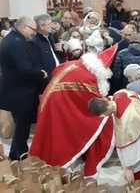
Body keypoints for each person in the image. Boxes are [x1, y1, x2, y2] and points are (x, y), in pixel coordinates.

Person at [30, 45, 118, 176]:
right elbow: (93, 100)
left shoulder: (75, 63)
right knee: (100, 120)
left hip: (50, 101)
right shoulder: (89, 78)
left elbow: (56, 70)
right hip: (59, 107)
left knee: (50, 133)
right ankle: (59, 162)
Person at [0, 16, 48, 160]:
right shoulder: (16, 43)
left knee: (22, 127)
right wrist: (41, 73)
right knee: (22, 127)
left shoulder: (15, 39)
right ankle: (16, 156)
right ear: (23, 27)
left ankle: (20, 153)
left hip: (16, 89)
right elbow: (24, 68)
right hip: (19, 92)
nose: (34, 32)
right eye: (33, 29)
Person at [88, 89, 140, 182]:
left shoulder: (125, 123)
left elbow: (131, 148)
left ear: (102, 115)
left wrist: (128, 169)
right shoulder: (120, 93)